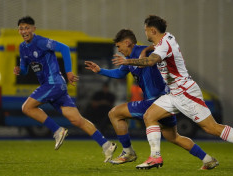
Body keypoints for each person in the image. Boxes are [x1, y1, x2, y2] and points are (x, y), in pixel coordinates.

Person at [112, 16, 233, 169]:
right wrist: (146, 49)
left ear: (152, 30)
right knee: (149, 116)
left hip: (186, 92)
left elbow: (151, 61)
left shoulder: (164, 45)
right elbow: (156, 48)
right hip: (174, 93)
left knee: (211, 128)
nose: (145, 34)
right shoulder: (167, 38)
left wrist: (128, 61)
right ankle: (155, 157)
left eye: (146, 30)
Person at [85, 29, 219, 170]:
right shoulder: (129, 60)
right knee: (174, 137)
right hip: (164, 102)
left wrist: (147, 48)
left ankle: (129, 152)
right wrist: (100, 70)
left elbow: (160, 46)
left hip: (155, 101)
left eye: (119, 46)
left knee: (114, 113)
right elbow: (120, 73)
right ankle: (208, 159)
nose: (118, 50)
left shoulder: (144, 51)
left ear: (127, 42)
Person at [14, 16, 117, 162]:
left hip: (53, 83)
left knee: (27, 108)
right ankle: (106, 145)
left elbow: (64, 48)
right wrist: (20, 70)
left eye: (27, 27)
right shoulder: (22, 48)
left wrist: (69, 71)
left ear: (33, 29)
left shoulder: (41, 41)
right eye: (21, 28)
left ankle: (58, 130)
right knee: (77, 120)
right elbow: (25, 69)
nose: (24, 31)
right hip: (54, 86)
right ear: (18, 30)